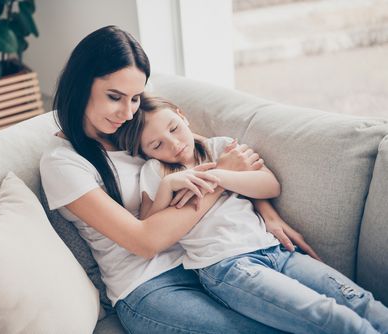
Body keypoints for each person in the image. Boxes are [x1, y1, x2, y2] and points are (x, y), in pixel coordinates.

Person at [40, 25, 316, 333]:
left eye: (134, 98)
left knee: (306, 319)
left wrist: (267, 212)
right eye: (115, 96)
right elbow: (145, 241)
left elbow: (213, 158)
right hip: (147, 288)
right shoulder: (62, 163)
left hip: (205, 263)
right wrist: (220, 180)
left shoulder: (134, 127)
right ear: (81, 84)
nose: (126, 112)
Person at [113, 95, 388, 334]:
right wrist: (167, 187)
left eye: (173, 128)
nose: (172, 144)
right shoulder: (155, 171)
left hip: (274, 249)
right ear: (144, 152)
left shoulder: (221, 148)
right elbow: (149, 224)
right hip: (228, 266)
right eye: (156, 145)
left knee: (358, 300)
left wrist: (219, 174)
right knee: (327, 316)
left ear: (181, 116)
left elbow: (270, 185)